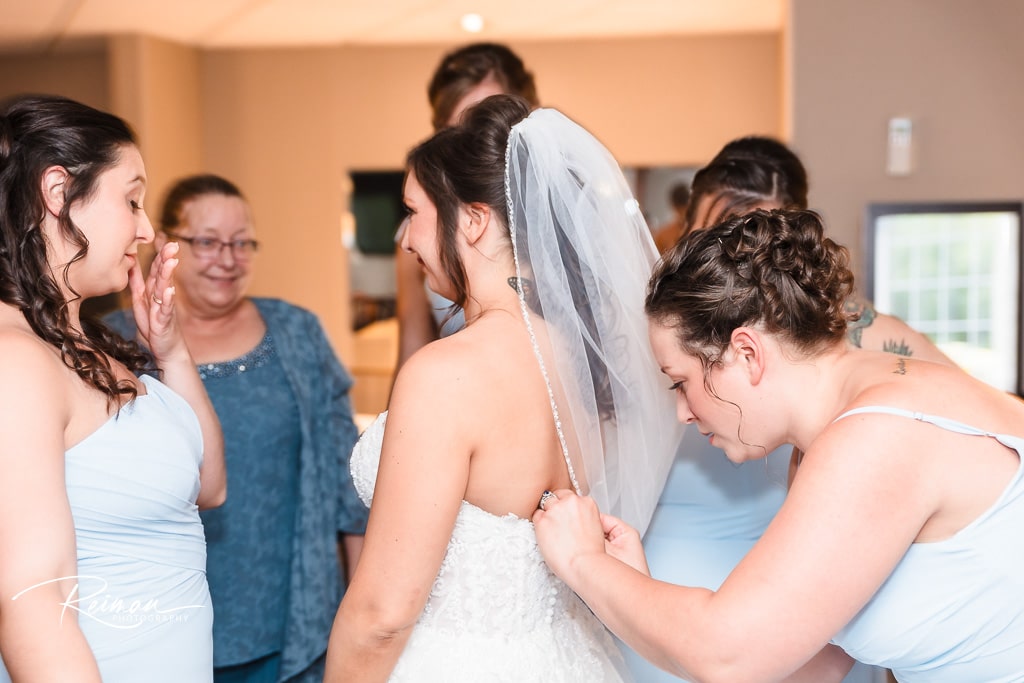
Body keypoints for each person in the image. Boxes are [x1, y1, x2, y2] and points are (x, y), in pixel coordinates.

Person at [536, 208, 1024, 682]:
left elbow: (726, 654)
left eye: (680, 381)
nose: (683, 413)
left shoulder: (876, 435)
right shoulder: (825, 441)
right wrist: (634, 591)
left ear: (746, 353)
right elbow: (811, 660)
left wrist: (584, 562)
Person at [325, 95, 681, 681]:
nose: (405, 237)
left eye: (414, 211)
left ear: (472, 220)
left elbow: (383, 615)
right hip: (565, 658)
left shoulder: (445, 375)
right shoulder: (587, 363)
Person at [623, 137, 953, 683]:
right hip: (678, 597)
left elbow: (969, 425)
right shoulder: (658, 333)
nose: (745, 276)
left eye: (759, 246)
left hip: (815, 598)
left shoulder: (860, 336)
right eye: (723, 241)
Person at [104, 174, 366, 683]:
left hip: (290, 619)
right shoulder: (112, 340)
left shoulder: (297, 332)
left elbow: (347, 485)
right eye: (207, 242)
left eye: (241, 242)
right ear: (166, 242)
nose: (228, 259)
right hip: (151, 621)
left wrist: (357, 611)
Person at [0, 95, 224, 681]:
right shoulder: (16, 361)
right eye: (131, 201)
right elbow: (32, 604)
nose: (148, 229)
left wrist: (170, 349)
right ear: (57, 193)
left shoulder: (86, 343)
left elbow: (209, 486)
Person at [395, 42, 540, 370]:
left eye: (484, 121)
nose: (473, 140)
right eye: (457, 129)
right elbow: (412, 347)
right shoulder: (416, 237)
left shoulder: (559, 224)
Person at [652, 182, 691, 254]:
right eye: (680, 210)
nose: (683, 214)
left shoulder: (700, 231)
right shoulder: (663, 234)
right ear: (674, 207)